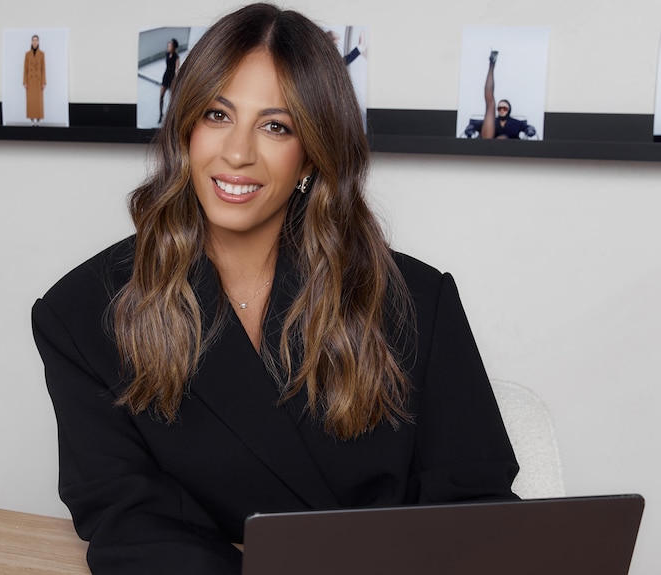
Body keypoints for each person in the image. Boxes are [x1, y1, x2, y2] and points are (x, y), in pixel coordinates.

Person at [32, 4, 518, 574]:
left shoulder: (417, 299)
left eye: (275, 126)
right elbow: (129, 521)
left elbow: (476, 508)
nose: (237, 153)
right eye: (217, 115)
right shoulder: (81, 314)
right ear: (185, 130)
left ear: (311, 154)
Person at [480, 50, 535, 139]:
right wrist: (470, 128)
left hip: (510, 145)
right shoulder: (494, 121)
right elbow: (474, 126)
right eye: (499, 108)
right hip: (490, 143)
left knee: (504, 137)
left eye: (504, 108)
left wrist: (530, 129)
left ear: (509, 110)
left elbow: (527, 127)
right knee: (490, 105)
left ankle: (492, 64)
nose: (502, 110)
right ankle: (491, 64)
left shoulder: (516, 123)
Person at [24, 35, 46, 126]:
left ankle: (38, 119)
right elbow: (25, 69)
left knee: (38, 100)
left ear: (38, 42)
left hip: (38, 80)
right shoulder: (27, 54)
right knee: (31, 100)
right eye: (33, 40)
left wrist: (43, 82)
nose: (35, 42)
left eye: (36, 40)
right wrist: (25, 81)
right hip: (30, 80)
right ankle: (32, 119)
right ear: (31, 42)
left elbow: (43, 68)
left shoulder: (42, 54)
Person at [158, 38, 180, 123]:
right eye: (168, 45)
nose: (168, 46)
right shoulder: (167, 54)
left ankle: (171, 117)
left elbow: (177, 70)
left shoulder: (176, 57)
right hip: (166, 76)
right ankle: (161, 114)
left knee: (172, 99)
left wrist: (176, 81)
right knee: (161, 96)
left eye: (170, 45)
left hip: (172, 78)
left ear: (174, 47)